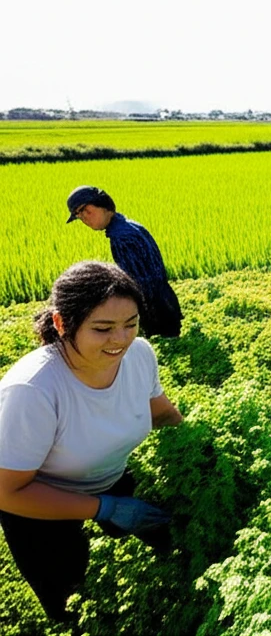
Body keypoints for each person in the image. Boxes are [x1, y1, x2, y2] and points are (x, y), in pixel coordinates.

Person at [0, 261, 183, 625]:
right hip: (38, 503)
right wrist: (104, 508)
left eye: (131, 323)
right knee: (69, 593)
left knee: (171, 532)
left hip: (109, 474)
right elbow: (8, 491)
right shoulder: (33, 391)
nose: (120, 339)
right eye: (102, 329)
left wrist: (202, 445)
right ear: (61, 324)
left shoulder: (139, 355)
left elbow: (161, 413)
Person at [66, 186, 183, 337]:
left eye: (85, 211)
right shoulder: (129, 226)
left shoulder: (122, 238)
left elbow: (140, 284)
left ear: (102, 205)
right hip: (166, 303)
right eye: (79, 216)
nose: (84, 219)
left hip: (157, 313)